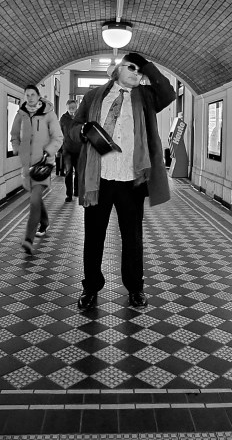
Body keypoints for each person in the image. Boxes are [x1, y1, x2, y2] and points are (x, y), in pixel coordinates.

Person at [70, 52, 174, 310]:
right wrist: (82, 130)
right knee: (94, 237)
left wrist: (148, 65)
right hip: (99, 179)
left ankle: (135, 287)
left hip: (131, 180)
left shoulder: (146, 97)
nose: (136, 73)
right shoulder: (94, 96)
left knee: (133, 238)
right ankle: (91, 287)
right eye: (132, 68)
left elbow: (168, 93)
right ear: (118, 69)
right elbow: (73, 127)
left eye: (140, 71)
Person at [10, 84, 62, 254]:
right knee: (36, 198)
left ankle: (28, 239)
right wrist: (17, 148)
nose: (30, 97)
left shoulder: (49, 114)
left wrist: (48, 152)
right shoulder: (21, 114)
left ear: (39, 96)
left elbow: (58, 137)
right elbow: (14, 135)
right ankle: (44, 222)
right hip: (26, 165)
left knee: (34, 201)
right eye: (27, 95)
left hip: (42, 164)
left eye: (33, 94)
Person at [59, 98, 81, 201]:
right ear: (67, 107)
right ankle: (69, 194)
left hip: (79, 149)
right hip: (67, 149)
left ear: (76, 107)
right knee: (68, 171)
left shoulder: (80, 118)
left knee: (78, 172)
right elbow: (59, 134)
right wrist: (59, 150)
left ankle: (76, 190)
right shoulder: (63, 119)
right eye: (70, 107)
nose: (72, 109)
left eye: (74, 107)